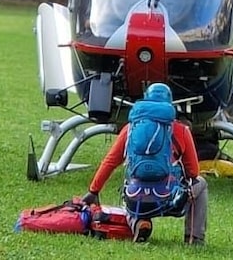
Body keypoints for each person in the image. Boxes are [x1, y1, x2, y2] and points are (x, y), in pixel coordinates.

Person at [81, 83, 208, 245]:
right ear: (170, 104)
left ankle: (139, 223)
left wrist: (93, 191)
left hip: (137, 199)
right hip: (169, 199)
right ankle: (194, 237)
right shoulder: (181, 130)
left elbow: (110, 162)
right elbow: (193, 172)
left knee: (128, 194)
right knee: (201, 183)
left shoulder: (130, 129)